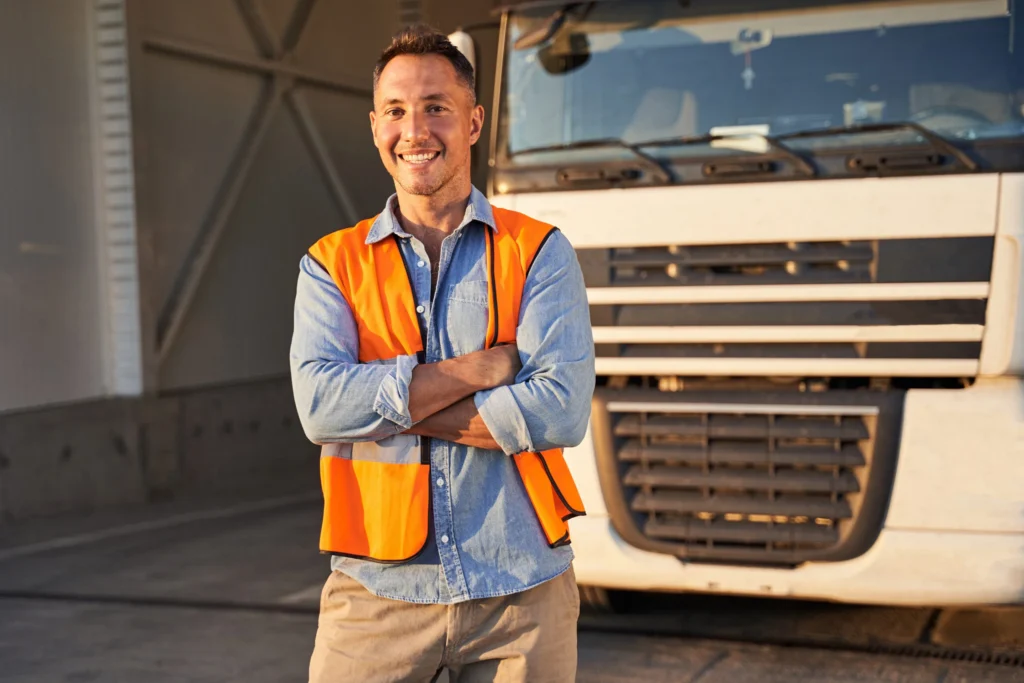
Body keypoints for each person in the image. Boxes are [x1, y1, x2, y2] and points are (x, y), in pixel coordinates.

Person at [289, 25, 596, 683]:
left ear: (475, 121)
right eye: (396, 110)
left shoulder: (539, 250)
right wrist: (477, 370)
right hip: (375, 592)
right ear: (375, 126)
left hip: (524, 591)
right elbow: (319, 408)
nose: (415, 129)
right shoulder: (330, 264)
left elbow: (562, 410)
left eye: (436, 107)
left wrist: (384, 402)